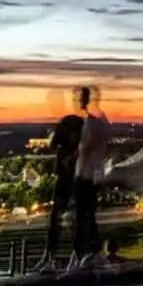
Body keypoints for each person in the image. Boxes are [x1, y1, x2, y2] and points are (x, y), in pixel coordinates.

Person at [33, 107, 84, 274]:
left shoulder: (76, 152)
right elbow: (62, 173)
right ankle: (51, 257)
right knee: (57, 222)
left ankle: (72, 257)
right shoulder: (65, 152)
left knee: (71, 223)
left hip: (74, 187)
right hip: (66, 186)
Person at [72, 85, 113, 270]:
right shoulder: (101, 120)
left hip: (86, 175)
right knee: (88, 215)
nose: (78, 102)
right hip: (93, 175)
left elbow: (85, 148)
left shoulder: (93, 123)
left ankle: (85, 254)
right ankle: (91, 253)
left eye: (81, 98)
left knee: (83, 215)